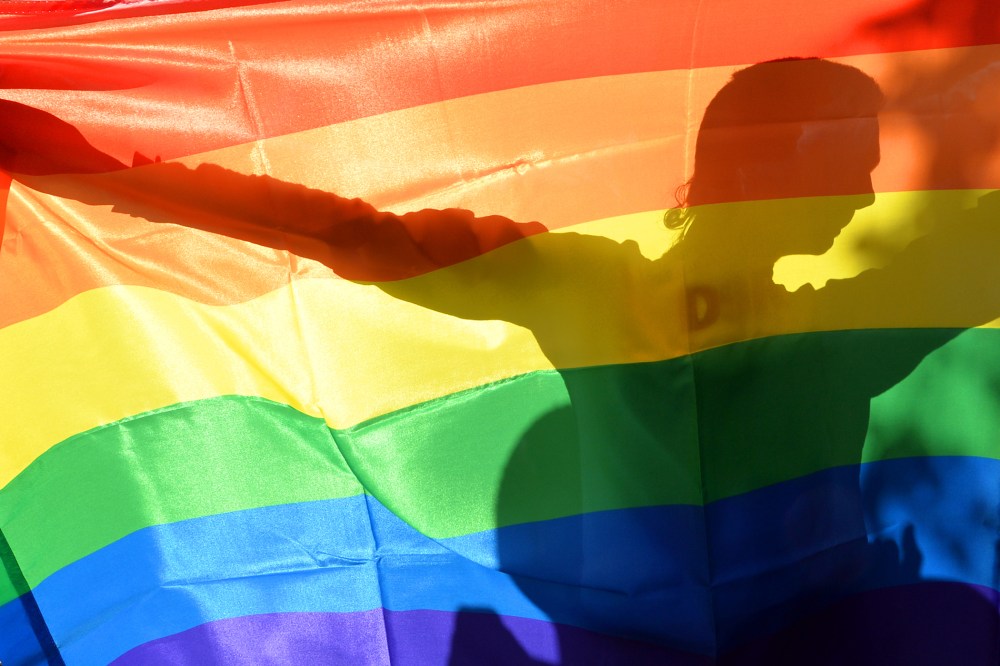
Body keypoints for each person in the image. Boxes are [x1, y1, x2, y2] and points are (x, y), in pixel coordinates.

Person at [9, 57, 999, 662]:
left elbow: (975, 247)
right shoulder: (603, 290)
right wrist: (100, 171)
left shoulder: (832, 324)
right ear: (773, 159)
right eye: (853, 156)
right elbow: (352, 234)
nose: (868, 191)